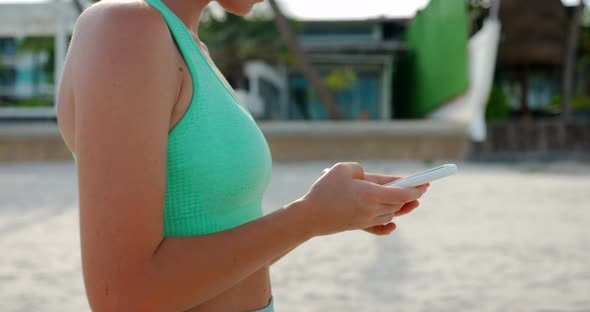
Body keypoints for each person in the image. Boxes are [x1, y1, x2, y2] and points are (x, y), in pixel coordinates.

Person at [55, 0, 429, 310]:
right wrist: (308, 216)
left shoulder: (187, 46)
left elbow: (215, 252)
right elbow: (123, 296)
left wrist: (334, 211)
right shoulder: (124, 29)